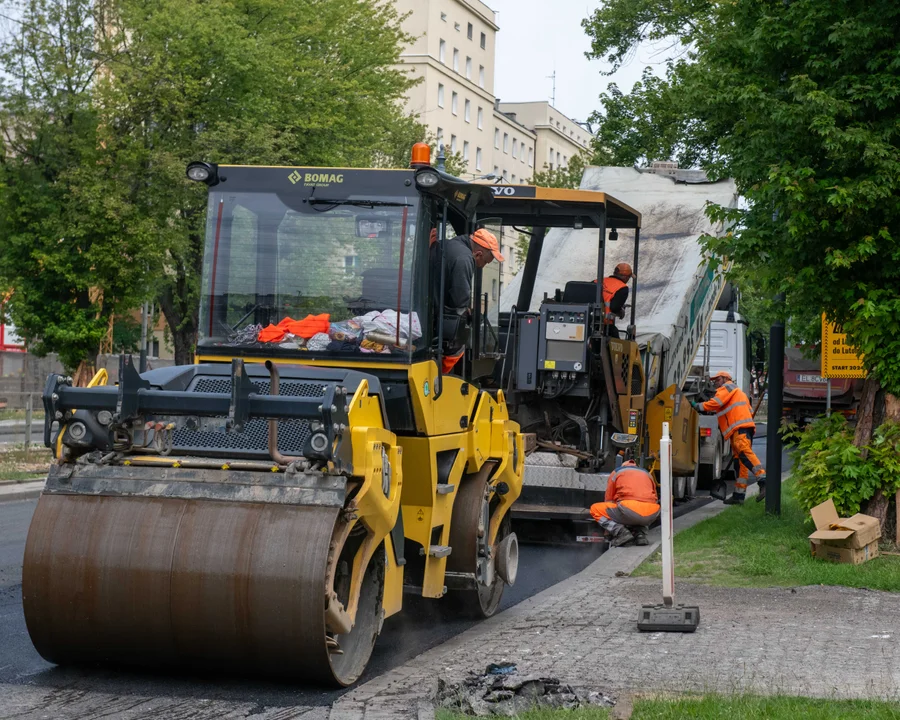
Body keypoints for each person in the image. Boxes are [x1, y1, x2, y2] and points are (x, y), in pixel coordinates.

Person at [430, 227, 504, 373]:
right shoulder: (465, 259)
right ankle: (443, 375)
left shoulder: (448, 244)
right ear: (478, 254)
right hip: (437, 319)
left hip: (430, 308)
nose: (483, 266)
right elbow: (459, 298)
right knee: (458, 345)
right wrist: (467, 312)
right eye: (485, 262)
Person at [691, 370, 767, 504]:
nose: (715, 382)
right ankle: (739, 495)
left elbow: (715, 403)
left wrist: (698, 406)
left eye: (718, 379)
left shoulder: (726, 388)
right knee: (740, 462)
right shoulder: (736, 392)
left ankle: (763, 480)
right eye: (715, 380)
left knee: (744, 453)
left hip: (739, 428)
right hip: (742, 428)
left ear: (726, 379)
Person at [589, 460, 660, 547]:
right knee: (641, 509)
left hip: (628, 510)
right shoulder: (647, 474)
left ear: (623, 466)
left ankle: (621, 532)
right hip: (652, 513)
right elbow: (655, 497)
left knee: (595, 509)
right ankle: (640, 535)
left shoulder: (617, 472)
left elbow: (609, 499)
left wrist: (610, 527)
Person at [593, 263, 634, 338]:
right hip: (605, 325)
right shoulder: (622, 288)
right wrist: (621, 310)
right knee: (617, 343)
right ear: (625, 277)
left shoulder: (597, 281)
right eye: (629, 277)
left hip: (588, 321)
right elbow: (614, 307)